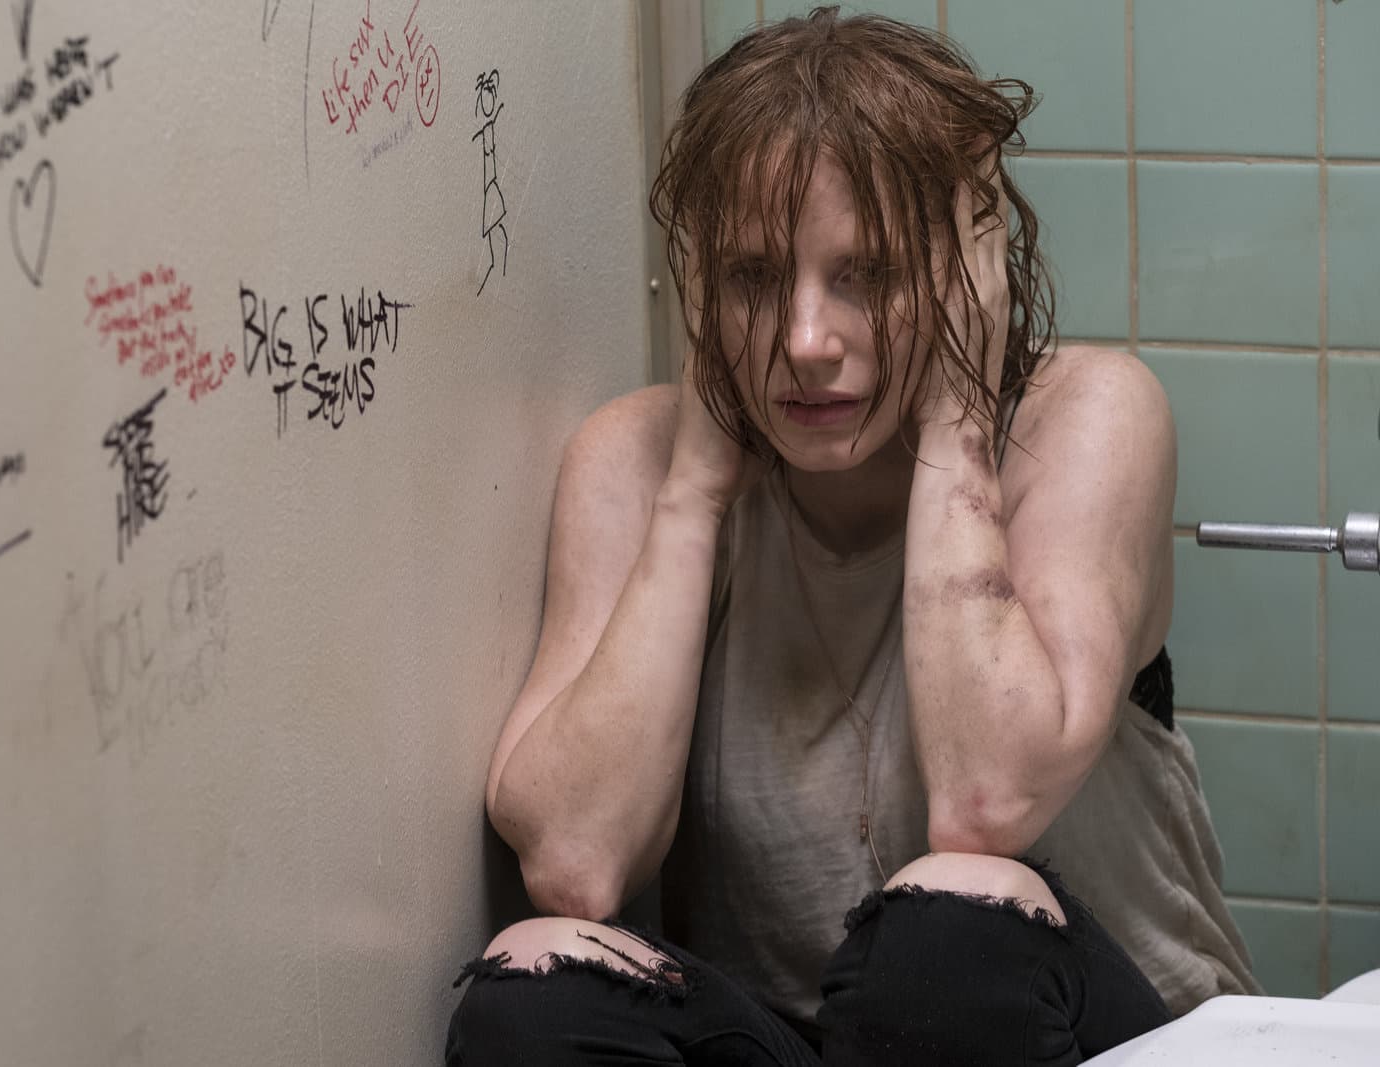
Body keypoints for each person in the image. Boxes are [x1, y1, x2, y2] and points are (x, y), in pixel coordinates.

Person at [446, 8, 1258, 1064]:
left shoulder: (1086, 418)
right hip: (825, 1043)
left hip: (1104, 1034)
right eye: (752, 277)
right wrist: (693, 492)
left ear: (965, 270)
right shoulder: (633, 459)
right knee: (534, 981)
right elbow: (575, 860)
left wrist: (958, 419)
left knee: (949, 933)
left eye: (866, 273)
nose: (805, 341)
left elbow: (986, 801)